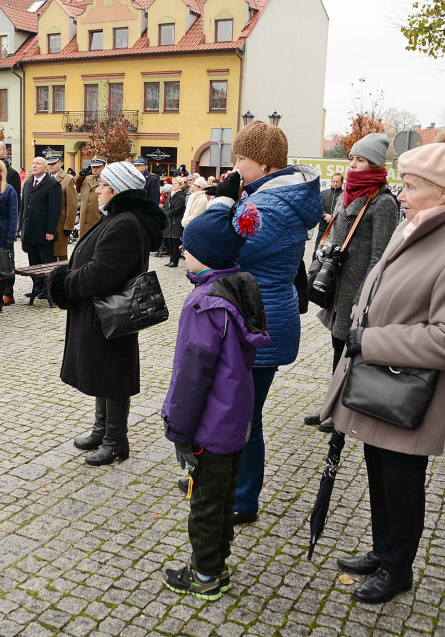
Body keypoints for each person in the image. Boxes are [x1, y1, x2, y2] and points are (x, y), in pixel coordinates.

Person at [319, 126, 445, 603]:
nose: (403, 193)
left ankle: (398, 569)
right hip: (378, 379)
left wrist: (371, 340)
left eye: (412, 185)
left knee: (402, 483)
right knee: (378, 471)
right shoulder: (412, 226)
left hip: (406, 387)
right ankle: (382, 550)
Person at [206, 120, 323, 524]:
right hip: (256, 316)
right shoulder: (268, 196)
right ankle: (225, 483)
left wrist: (219, 207)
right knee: (237, 411)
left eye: (240, 158)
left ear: (263, 162)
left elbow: (222, 252)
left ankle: (242, 498)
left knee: (245, 417)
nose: (234, 165)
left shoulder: (272, 205)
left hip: (258, 323)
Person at [160, 200, 269, 600]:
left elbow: (192, 378)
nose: (183, 253)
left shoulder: (204, 304)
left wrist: (179, 430)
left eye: (188, 248)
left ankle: (205, 574)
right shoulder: (241, 287)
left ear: (204, 257)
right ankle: (217, 562)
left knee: (204, 501)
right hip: (235, 418)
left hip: (209, 423)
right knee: (222, 498)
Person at [47, 161, 166, 466]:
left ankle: (116, 441)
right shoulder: (118, 216)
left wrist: (65, 283)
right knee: (103, 371)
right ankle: (102, 430)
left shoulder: (125, 222)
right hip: (101, 311)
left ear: (115, 190)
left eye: (102, 185)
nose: (97, 190)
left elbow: (103, 273)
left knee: (113, 375)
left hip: (111, 312)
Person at [305, 133, 398, 432]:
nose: (352, 165)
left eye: (359, 160)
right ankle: (331, 406)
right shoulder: (350, 193)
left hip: (356, 289)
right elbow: (334, 236)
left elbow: (379, 256)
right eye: (352, 159)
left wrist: (363, 295)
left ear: (373, 164)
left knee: (347, 351)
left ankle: (342, 412)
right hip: (338, 284)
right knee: (337, 346)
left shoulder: (383, 202)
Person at [19, 157, 62, 298]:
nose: (34, 165)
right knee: (33, 262)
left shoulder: (52, 184)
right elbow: (23, 207)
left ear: (45, 167)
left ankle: (47, 289)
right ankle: (37, 286)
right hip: (29, 230)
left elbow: (55, 210)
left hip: (44, 231)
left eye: (38, 163)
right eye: (33, 163)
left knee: (46, 262)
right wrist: (21, 226)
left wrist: (51, 230)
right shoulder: (28, 183)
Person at [0, 158, 19, 310]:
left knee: (5, 262)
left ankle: (7, 293)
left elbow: (14, 214)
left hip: (3, 228)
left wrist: (10, 235)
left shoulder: (8, 190)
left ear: (1, 171)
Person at [48, 155, 77, 261]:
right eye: (49, 164)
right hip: (46, 224)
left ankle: (64, 276)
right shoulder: (45, 178)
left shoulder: (68, 180)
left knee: (61, 255)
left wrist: (69, 226)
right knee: (48, 255)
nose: (51, 166)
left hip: (60, 224)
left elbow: (72, 205)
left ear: (60, 163)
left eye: (54, 163)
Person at [162, 175, 188, 267]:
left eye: (175, 183)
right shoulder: (171, 194)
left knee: (175, 242)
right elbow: (165, 206)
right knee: (170, 242)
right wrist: (164, 213)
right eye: (173, 183)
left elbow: (177, 209)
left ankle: (175, 260)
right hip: (169, 221)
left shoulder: (181, 196)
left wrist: (167, 214)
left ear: (181, 185)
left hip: (176, 221)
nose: (173, 185)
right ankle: (171, 259)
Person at [77, 157, 105, 237]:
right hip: (84, 221)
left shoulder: (106, 181)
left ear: (104, 167)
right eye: (93, 167)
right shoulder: (86, 179)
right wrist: (81, 175)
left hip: (97, 217)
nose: (95, 169)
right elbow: (74, 185)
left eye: (97, 167)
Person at [316, 172, 344, 252]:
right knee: (317, 251)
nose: (335, 184)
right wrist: (325, 216)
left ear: (342, 183)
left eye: (337, 182)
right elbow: (318, 208)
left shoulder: (345, 195)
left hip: (337, 230)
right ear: (331, 181)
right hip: (323, 228)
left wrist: (332, 217)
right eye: (333, 181)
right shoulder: (323, 193)